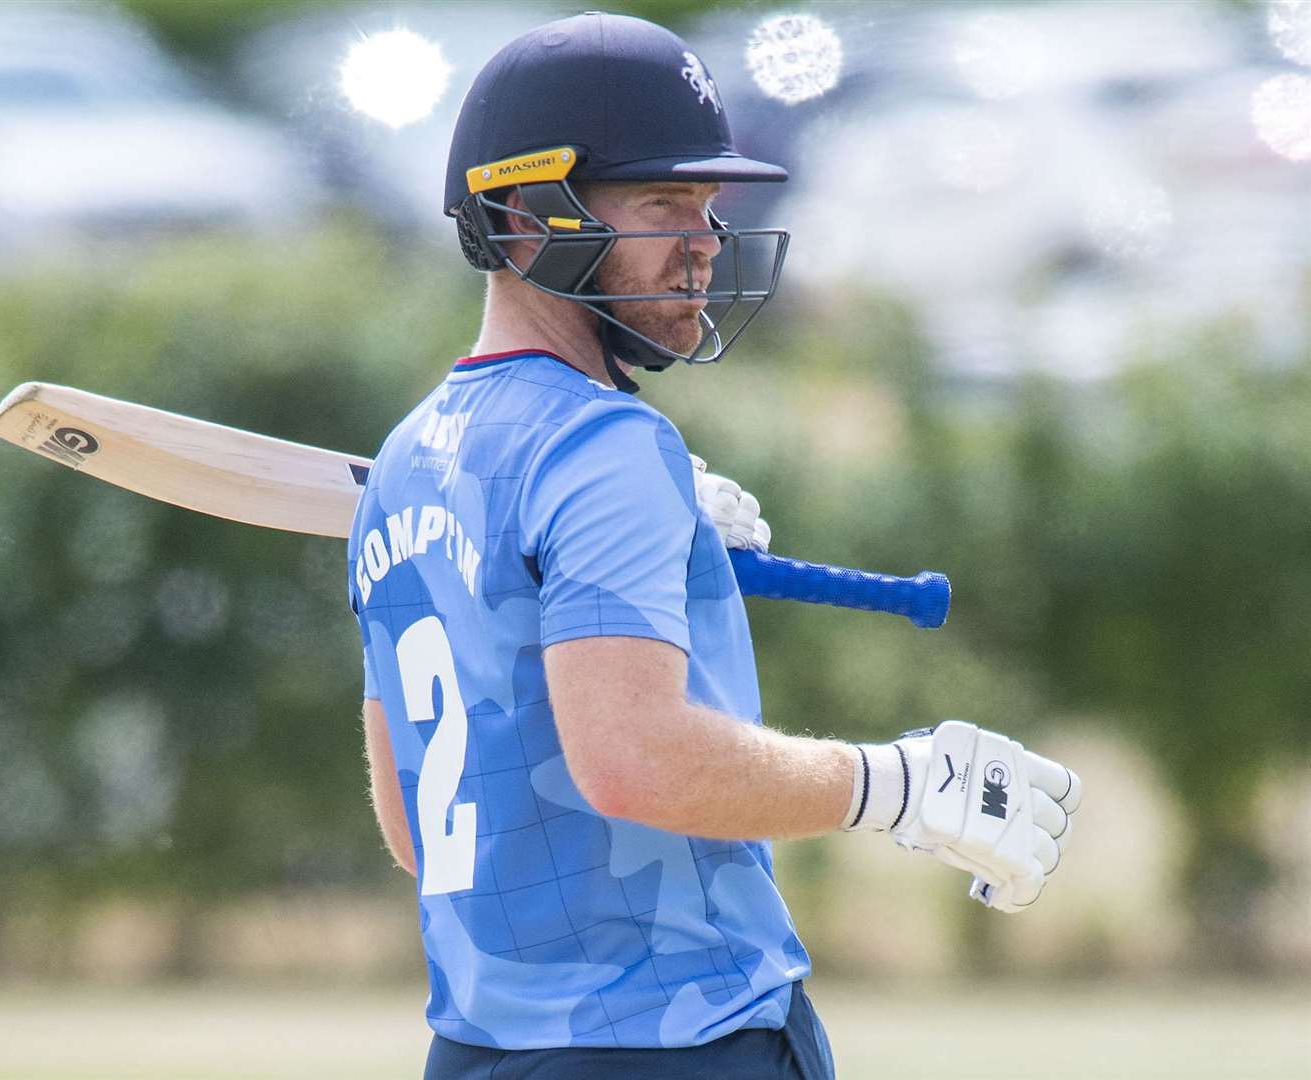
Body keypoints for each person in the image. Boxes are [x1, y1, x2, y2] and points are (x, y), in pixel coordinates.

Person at [347, 13, 1082, 1079]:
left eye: (705, 206)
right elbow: (635, 759)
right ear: (519, 218)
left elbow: (415, 829)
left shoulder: (407, 460)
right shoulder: (608, 447)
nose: (702, 241)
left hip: (476, 1050)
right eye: (660, 204)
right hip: (677, 1041)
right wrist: (897, 784)